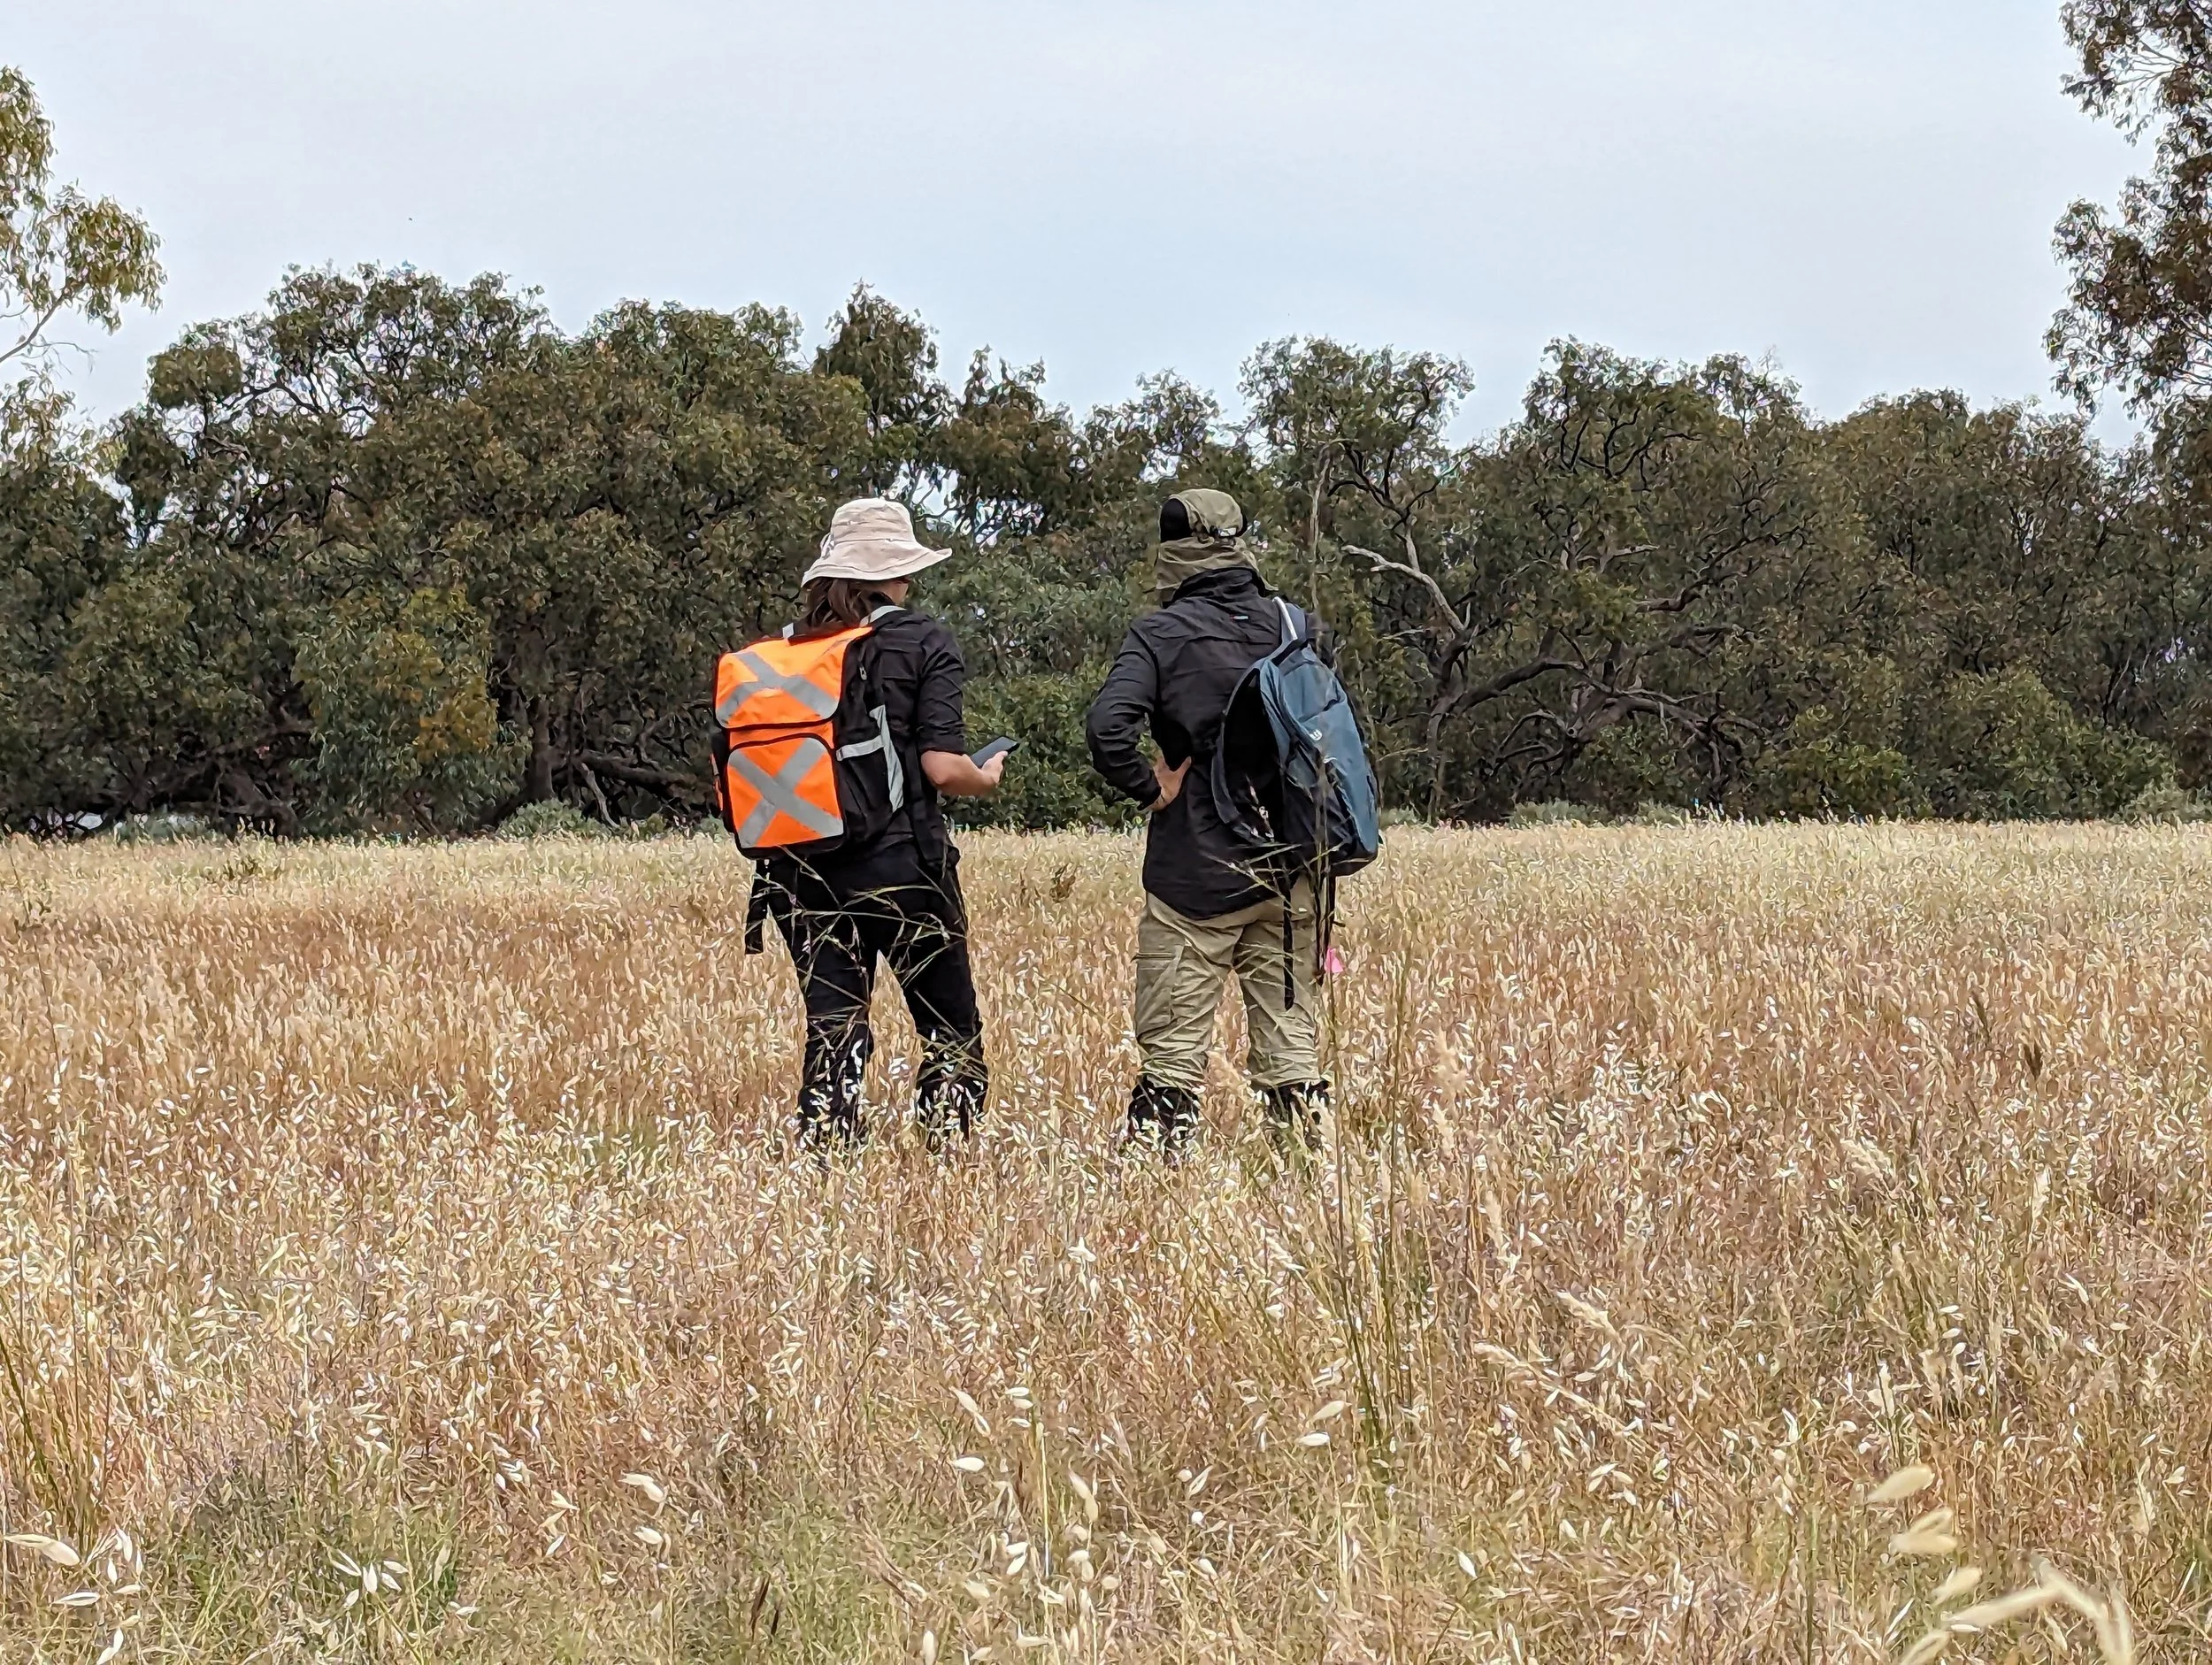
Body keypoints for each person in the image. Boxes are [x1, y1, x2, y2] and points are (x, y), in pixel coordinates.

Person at [752, 498, 1004, 1152]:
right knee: (950, 1028)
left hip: (801, 869)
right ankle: (945, 1156)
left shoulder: (788, 653)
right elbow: (944, 769)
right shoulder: (923, 641)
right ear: (900, 573)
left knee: (834, 1023)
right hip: (905, 865)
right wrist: (986, 776)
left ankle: (827, 1161)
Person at [1084, 488, 1330, 1158]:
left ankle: (1159, 1191)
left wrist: (1152, 787)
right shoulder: (1294, 624)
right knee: (1292, 1045)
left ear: (1173, 554)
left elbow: (1109, 729)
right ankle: (1307, 1188)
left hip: (1194, 873)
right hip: (1291, 868)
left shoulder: (1159, 634)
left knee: (1173, 1055)